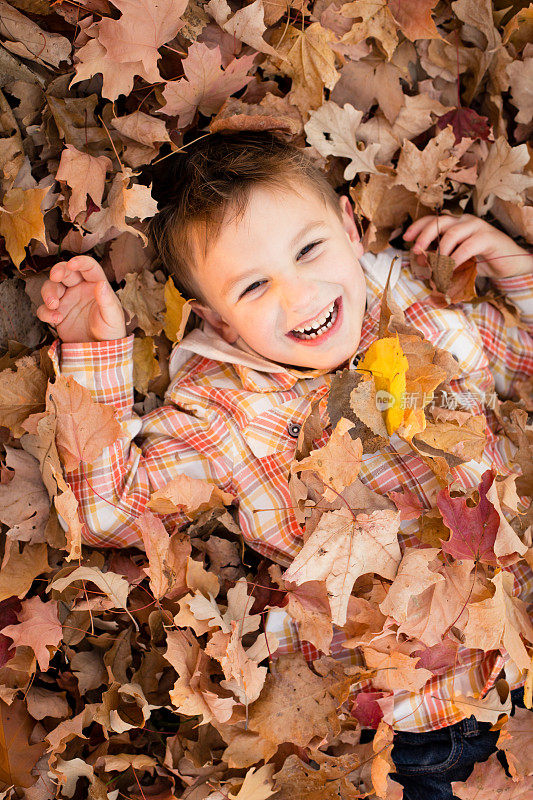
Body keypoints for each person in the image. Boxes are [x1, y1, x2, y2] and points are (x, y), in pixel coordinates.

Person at [37, 131, 533, 799]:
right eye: (254, 286)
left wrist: (511, 264)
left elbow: (521, 357)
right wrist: (95, 357)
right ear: (219, 319)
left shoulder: (416, 306)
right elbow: (106, 513)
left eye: (307, 250)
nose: (298, 296)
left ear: (349, 229)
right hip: (421, 725)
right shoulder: (220, 408)